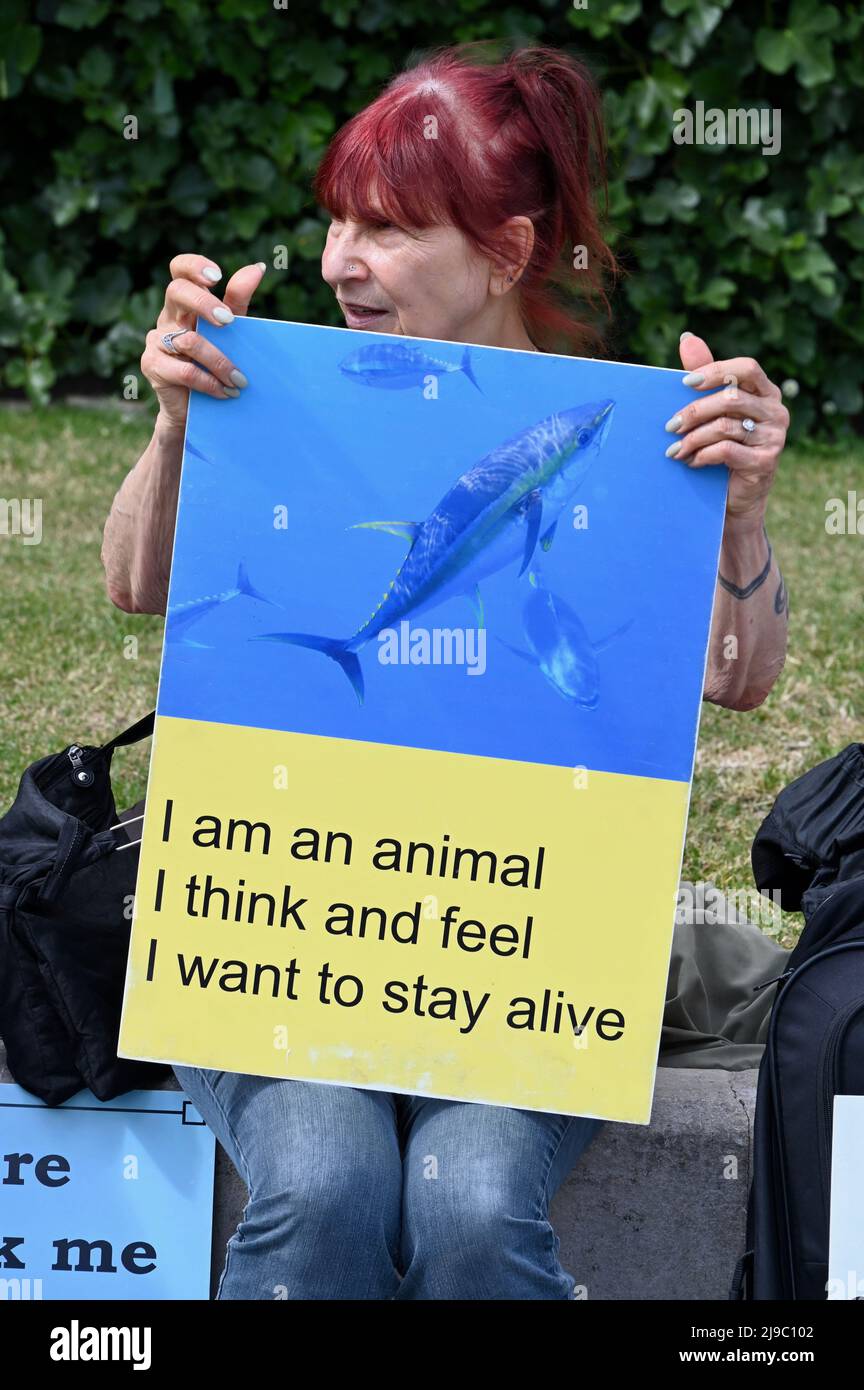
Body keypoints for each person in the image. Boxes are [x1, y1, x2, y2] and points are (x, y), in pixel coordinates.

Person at [101, 45, 790, 1300]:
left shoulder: (629, 436)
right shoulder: (279, 392)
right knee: (325, 1184)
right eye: (338, 220)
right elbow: (135, 589)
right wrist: (175, 428)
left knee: (470, 1200)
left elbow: (738, 682)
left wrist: (739, 516)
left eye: (390, 229)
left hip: (522, 942)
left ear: (511, 253)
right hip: (280, 922)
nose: (339, 261)